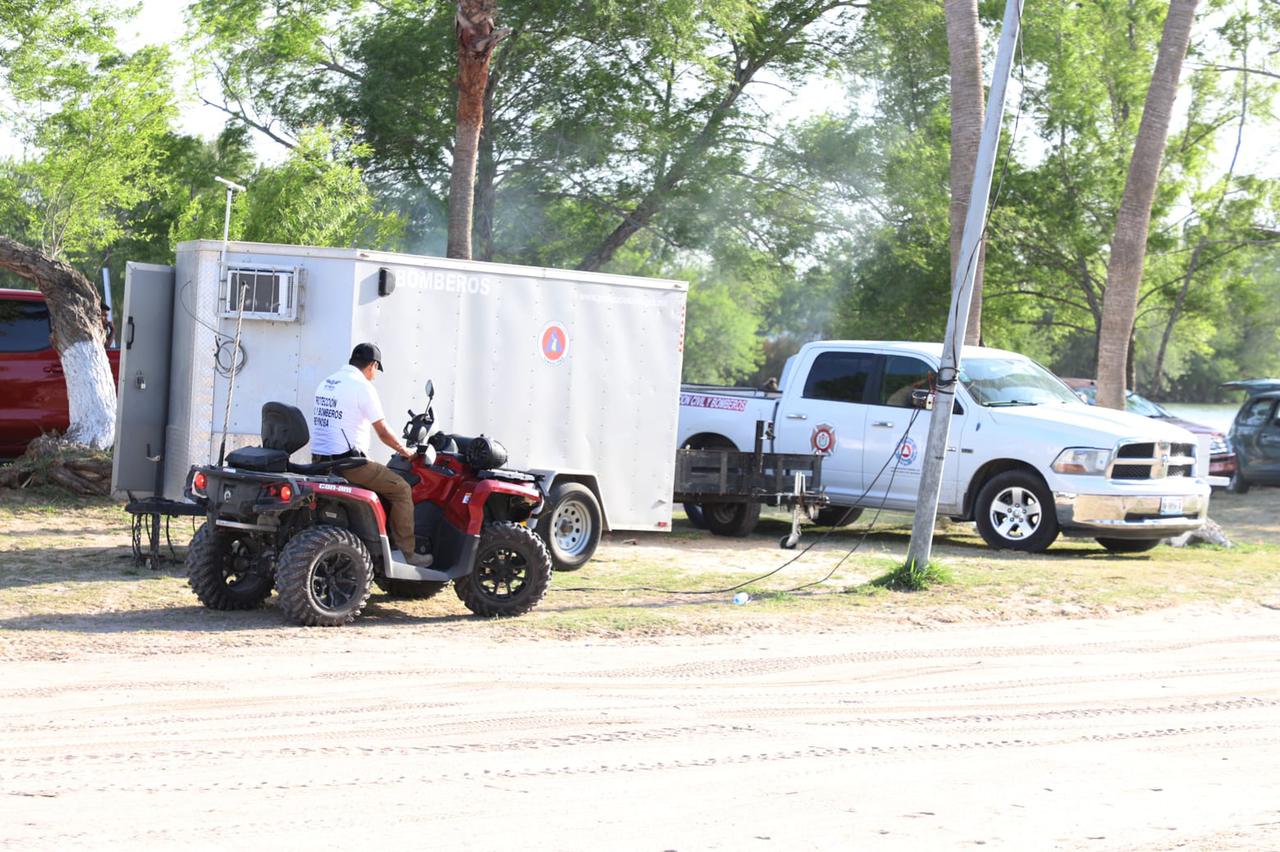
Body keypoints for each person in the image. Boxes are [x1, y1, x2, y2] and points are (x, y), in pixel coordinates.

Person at [310, 343, 432, 567]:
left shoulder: (327, 383)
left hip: (320, 462)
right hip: (349, 464)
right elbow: (383, 433)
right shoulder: (362, 387)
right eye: (376, 370)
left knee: (381, 476)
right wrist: (405, 451)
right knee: (402, 489)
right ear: (372, 365)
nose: (375, 375)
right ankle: (408, 553)